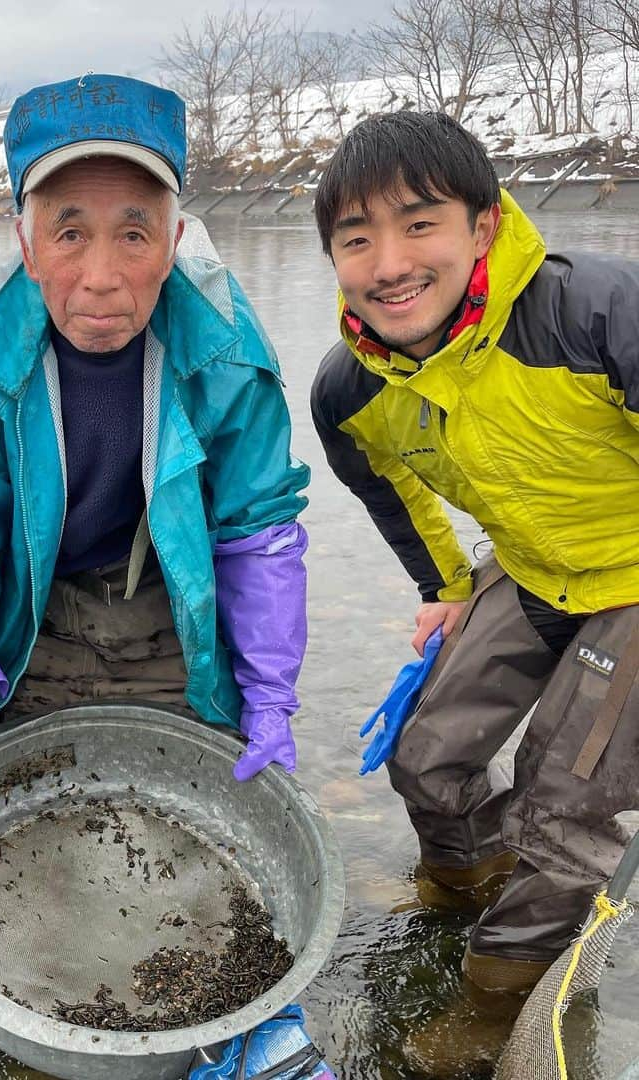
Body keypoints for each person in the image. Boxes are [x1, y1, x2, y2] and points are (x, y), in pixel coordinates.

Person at [0, 73, 310, 862]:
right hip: (26, 614)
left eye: (135, 233)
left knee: (204, 843)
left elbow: (256, 536)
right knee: (18, 846)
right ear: (26, 242)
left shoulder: (227, 346)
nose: (103, 277)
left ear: (175, 241)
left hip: (164, 601)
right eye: (70, 233)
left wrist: (269, 695)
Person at [310, 111, 639, 1003]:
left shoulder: (595, 313)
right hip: (531, 571)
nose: (389, 264)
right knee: (428, 753)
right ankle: (465, 888)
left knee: (565, 807)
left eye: (420, 224)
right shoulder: (350, 390)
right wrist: (446, 586)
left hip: (634, 581)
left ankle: (498, 999)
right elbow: (389, 487)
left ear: (482, 224)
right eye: (356, 238)